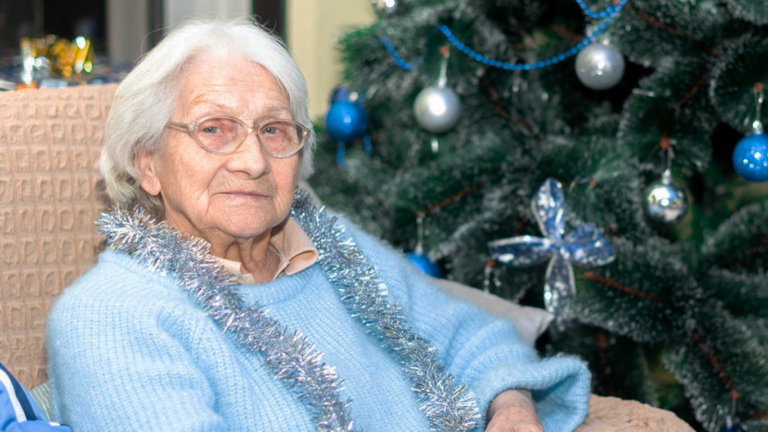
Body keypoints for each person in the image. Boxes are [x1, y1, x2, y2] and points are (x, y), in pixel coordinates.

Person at [45, 19, 591, 432]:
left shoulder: (331, 248)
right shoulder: (110, 318)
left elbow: (471, 335)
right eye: (214, 128)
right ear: (147, 163)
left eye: (275, 130)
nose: (253, 161)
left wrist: (513, 407)